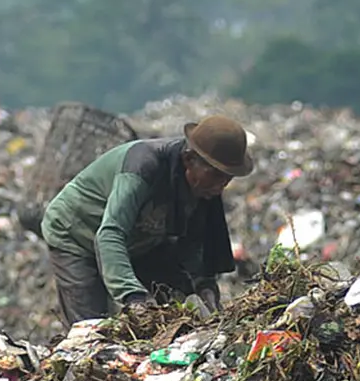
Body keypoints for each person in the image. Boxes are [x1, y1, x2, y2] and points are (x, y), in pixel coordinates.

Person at [41, 116, 253, 324]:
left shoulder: (204, 188)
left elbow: (194, 242)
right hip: (77, 233)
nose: (221, 185)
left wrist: (204, 285)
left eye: (227, 178)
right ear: (189, 160)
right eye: (216, 175)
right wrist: (133, 297)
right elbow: (110, 234)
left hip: (141, 238)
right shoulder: (143, 167)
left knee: (182, 304)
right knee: (92, 327)